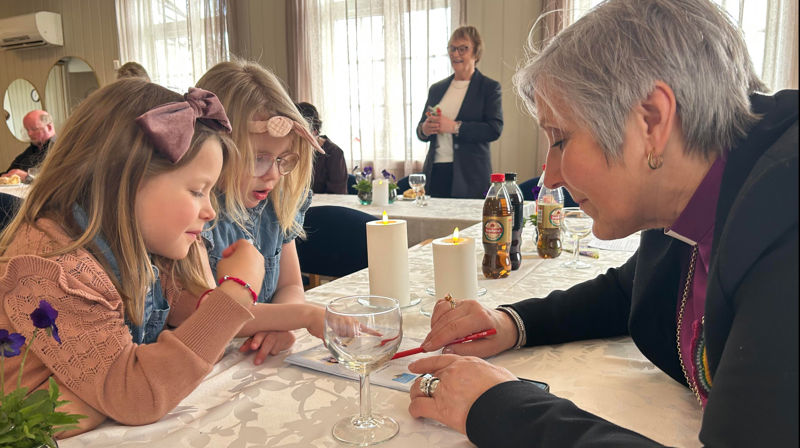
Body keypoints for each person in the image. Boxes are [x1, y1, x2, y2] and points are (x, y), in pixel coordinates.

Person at [407, 1, 798, 446]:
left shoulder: (787, 210)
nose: (549, 175)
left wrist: (499, 407)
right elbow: (629, 290)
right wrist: (511, 322)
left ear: (651, 120)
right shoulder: (696, 193)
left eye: (560, 139)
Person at [0, 79, 325, 436]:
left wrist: (307, 315)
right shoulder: (49, 269)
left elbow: (197, 317)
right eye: (198, 191)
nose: (211, 211)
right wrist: (237, 290)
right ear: (126, 180)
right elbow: (136, 396)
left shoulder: (145, 247)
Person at [196, 60, 325, 365]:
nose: (273, 175)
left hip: (253, 362)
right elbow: (206, 314)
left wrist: (281, 325)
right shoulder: (195, 215)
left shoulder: (275, 203)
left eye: (283, 159)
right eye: (259, 159)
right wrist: (296, 317)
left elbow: (291, 285)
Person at [416, 25, 503, 199]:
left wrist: (455, 127)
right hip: (436, 171)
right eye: (452, 48)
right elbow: (420, 130)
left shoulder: (489, 88)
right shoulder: (437, 89)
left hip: (470, 175)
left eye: (463, 49)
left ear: (476, 53)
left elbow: (494, 129)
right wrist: (424, 129)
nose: (456, 54)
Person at [295, 101, 348, 194]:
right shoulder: (289, 150)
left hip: (324, 206)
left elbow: (337, 194)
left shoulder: (334, 153)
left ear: (314, 131)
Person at [2, 110, 56, 181]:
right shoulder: (30, 151)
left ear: (49, 127)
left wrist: (27, 177)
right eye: (27, 130)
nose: (29, 134)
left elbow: (59, 180)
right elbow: (8, 173)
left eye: (34, 129)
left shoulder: (62, 148)